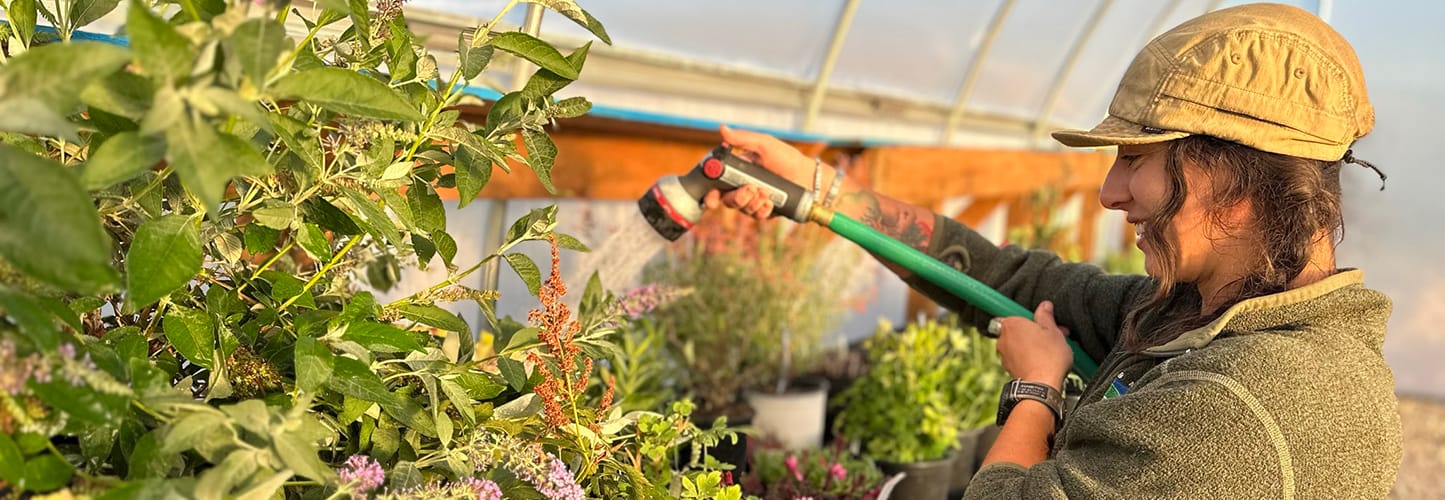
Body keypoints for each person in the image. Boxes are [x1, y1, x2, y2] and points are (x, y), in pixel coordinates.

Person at [705, 3, 1400, 498]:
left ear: (1234, 171)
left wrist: (1032, 392)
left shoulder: (1231, 406)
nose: (1107, 191)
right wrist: (823, 192)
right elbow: (1010, 277)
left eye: (1133, 157)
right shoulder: (1203, 317)